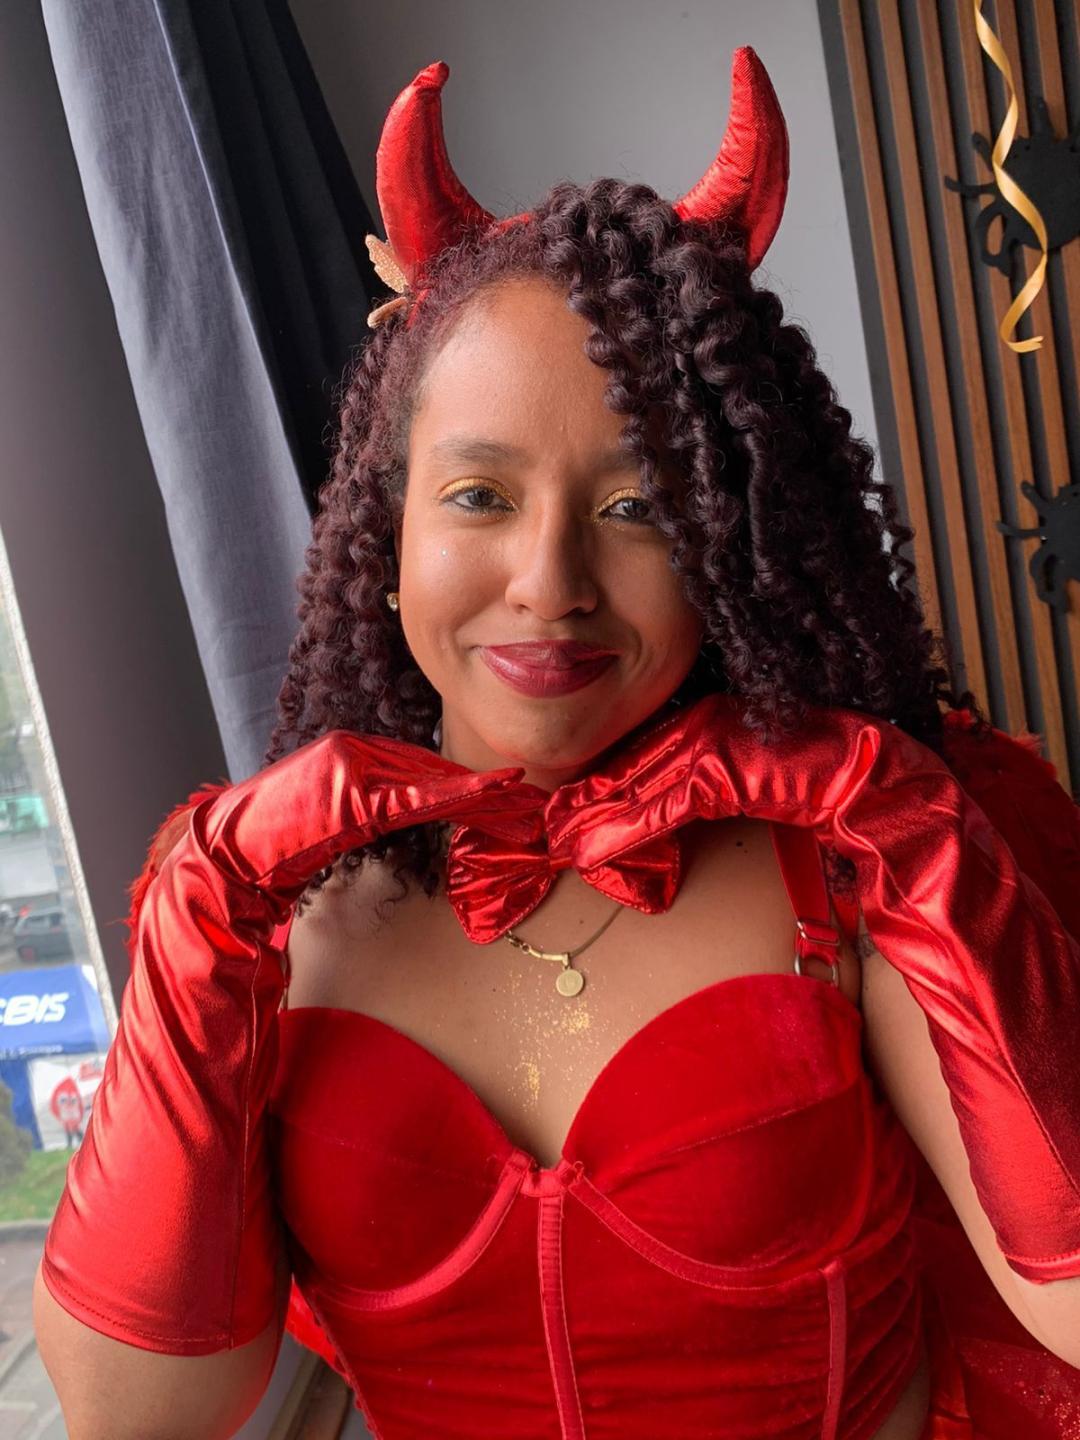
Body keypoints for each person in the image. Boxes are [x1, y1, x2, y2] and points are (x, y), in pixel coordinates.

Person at [34, 49, 1080, 1440]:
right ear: (385, 537)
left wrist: (907, 821)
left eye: (641, 510)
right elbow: (135, 1415)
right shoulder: (265, 918)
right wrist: (198, 910)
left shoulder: (863, 871)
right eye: (479, 496)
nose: (551, 584)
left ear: (727, 552)